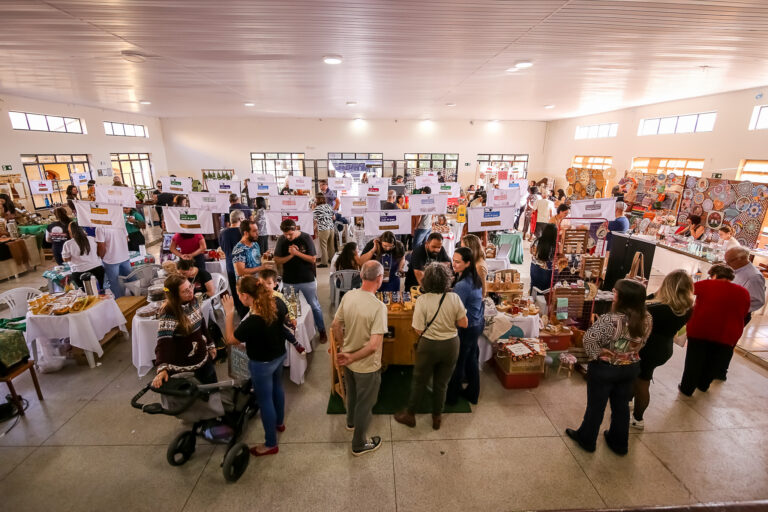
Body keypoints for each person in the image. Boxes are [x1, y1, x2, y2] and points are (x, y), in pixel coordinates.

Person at [566, 279, 652, 455]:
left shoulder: (609, 320)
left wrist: (599, 353)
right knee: (621, 406)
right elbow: (642, 341)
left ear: (623, 298)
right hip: (631, 367)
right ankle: (619, 442)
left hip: (605, 368)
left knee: (596, 406)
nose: (614, 295)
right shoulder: (647, 318)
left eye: (616, 292)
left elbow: (589, 340)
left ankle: (587, 439)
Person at [222, 276, 290, 456]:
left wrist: (229, 313)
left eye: (238, 295)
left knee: (265, 400)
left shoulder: (251, 322)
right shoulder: (276, 302)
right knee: (278, 388)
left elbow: (230, 340)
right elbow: (283, 321)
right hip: (279, 355)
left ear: (245, 296)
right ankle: (279, 424)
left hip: (262, 364)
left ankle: (270, 443)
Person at [394, 263, 467, 430]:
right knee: (442, 383)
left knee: (419, 380)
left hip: (429, 345)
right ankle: (437, 417)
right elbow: (464, 323)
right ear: (446, 279)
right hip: (451, 345)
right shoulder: (454, 298)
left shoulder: (422, 300)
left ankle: (410, 415)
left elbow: (418, 329)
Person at [332, 261, 388, 456]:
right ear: (379, 279)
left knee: (353, 394)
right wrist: (351, 356)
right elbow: (374, 346)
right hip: (366, 365)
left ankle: (350, 422)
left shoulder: (348, 295)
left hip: (349, 360)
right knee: (365, 404)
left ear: (361, 276)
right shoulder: (378, 307)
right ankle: (359, 444)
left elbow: (335, 324)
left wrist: (343, 346)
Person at [631, 270, 694, 430]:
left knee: (642, 381)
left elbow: (639, 308)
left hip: (648, 348)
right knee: (641, 377)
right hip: (664, 348)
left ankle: (638, 419)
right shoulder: (686, 308)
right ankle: (630, 403)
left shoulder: (656, 309)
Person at [679, 264, 750, 396]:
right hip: (727, 333)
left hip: (701, 328)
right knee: (713, 361)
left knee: (694, 360)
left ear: (714, 275)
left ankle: (687, 388)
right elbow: (745, 312)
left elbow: (685, 291)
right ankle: (703, 385)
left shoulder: (706, 284)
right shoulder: (744, 292)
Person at [152, 274, 217, 389]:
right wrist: (162, 368)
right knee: (195, 403)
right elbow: (163, 342)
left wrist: (210, 344)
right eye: (185, 291)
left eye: (190, 287)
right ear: (175, 295)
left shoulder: (194, 301)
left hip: (203, 359)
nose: (191, 292)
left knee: (213, 391)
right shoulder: (169, 312)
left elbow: (202, 324)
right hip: (184, 369)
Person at [273, 218, 326, 342]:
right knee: (291, 309)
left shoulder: (306, 238)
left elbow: (313, 259)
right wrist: (291, 255)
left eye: (290, 234)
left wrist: (297, 254)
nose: (288, 237)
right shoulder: (282, 240)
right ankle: (294, 334)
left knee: (314, 306)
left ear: (295, 228)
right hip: (289, 280)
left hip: (307, 279)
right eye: (285, 234)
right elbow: (277, 260)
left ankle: (322, 330)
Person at [446, 248, 484, 406]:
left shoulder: (462, 284)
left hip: (467, 327)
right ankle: (473, 393)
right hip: (476, 324)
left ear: (468, 263)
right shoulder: (473, 278)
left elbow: (456, 310)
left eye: (457, 262)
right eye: (453, 260)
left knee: (459, 362)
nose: (453, 264)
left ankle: (452, 397)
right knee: (471, 360)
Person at [259, 268, 306, 354]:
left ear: (275, 284)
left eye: (269, 283)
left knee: (283, 328)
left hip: (280, 318)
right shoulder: (258, 296)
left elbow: (288, 305)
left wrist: (292, 318)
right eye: (262, 284)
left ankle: (295, 342)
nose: (265, 286)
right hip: (267, 320)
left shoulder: (278, 295)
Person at [726, 246, 766, 324]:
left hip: (738, 315)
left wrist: (736, 309)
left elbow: (758, 301)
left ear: (740, 259)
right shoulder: (737, 268)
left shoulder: (754, 277)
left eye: (729, 261)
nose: (727, 264)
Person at [218, 209, 246, 316]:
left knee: (236, 291)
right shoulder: (242, 232)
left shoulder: (223, 233)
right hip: (243, 267)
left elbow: (223, 248)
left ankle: (240, 314)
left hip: (229, 265)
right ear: (240, 219)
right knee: (246, 290)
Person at [61, 221, 104, 290]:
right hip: (97, 269)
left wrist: (75, 256)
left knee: (86, 294)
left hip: (79, 271)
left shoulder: (68, 244)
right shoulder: (92, 239)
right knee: (100, 291)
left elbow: (65, 259)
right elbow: (98, 252)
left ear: (70, 231)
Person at [95, 225, 132, 297]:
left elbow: (101, 246)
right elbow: (126, 238)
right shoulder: (119, 223)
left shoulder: (100, 227)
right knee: (130, 278)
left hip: (111, 260)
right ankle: (138, 296)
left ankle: (121, 301)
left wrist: (101, 257)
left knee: (115, 283)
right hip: (124, 256)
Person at [529, 223, 557, 293]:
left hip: (535, 266)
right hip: (548, 269)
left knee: (534, 286)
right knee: (545, 290)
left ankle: (532, 302)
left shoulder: (536, 240)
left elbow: (531, 252)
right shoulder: (555, 245)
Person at [313, 193, 336, 268]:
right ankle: (332, 260)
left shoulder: (317, 209)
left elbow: (315, 220)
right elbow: (334, 218)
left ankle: (324, 263)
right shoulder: (329, 206)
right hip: (331, 228)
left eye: (315, 198)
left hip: (323, 229)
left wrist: (314, 229)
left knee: (323, 246)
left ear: (318, 199)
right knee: (331, 246)